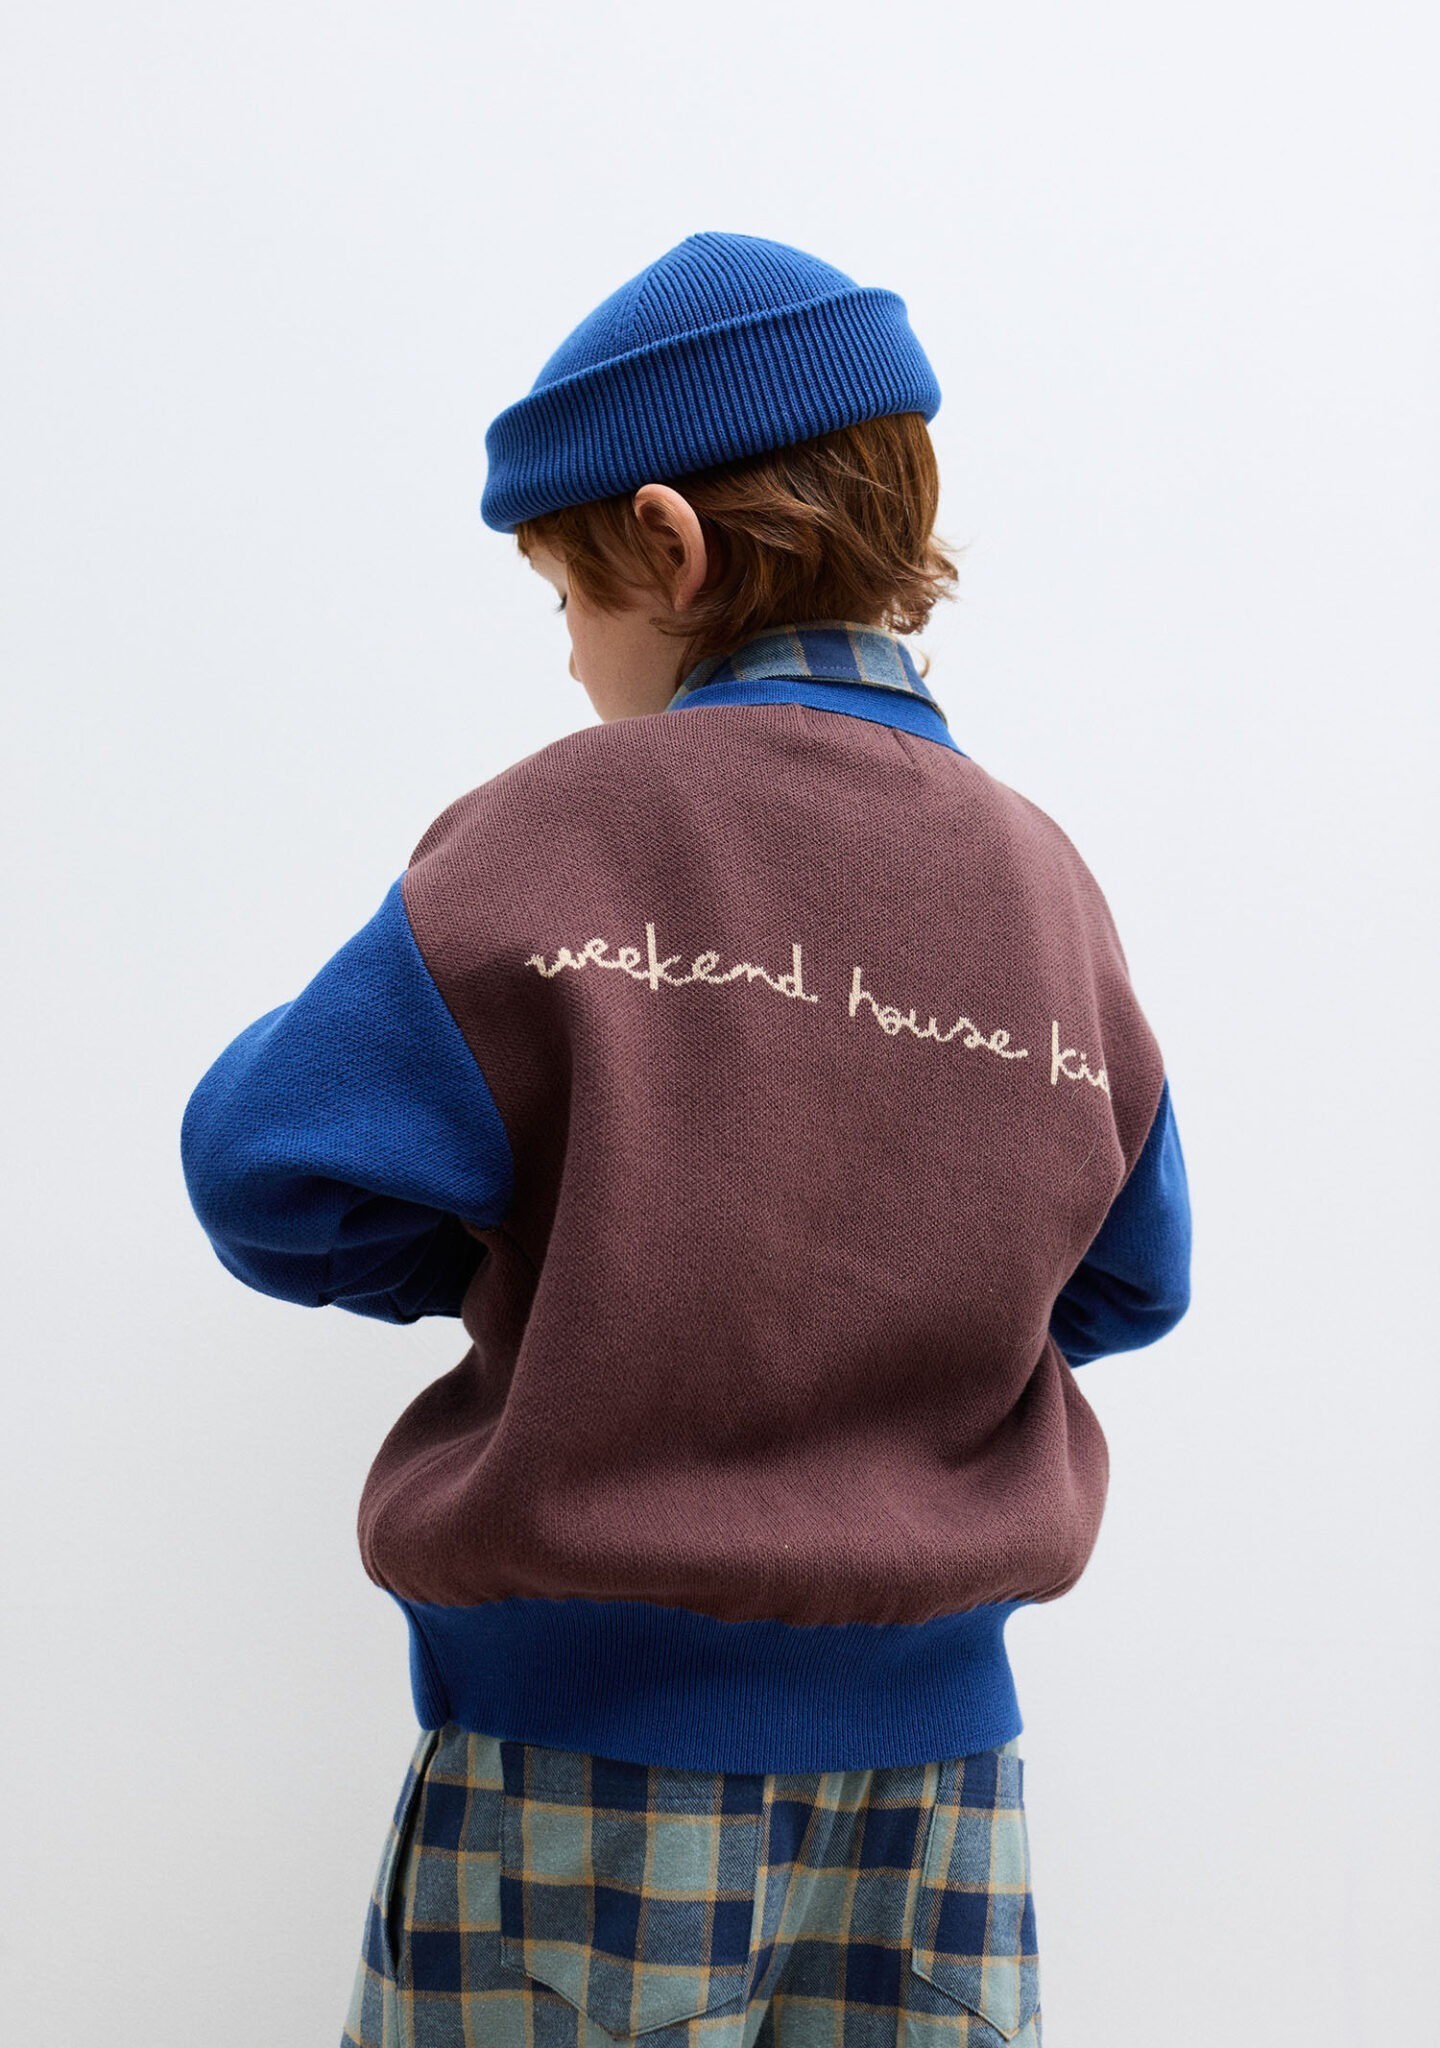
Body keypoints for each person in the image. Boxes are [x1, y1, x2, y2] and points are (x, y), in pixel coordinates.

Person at [179, 230, 1193, 2048]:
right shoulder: (1045, 882)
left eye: (564, 598)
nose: (571, 660)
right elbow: (1132, 1277)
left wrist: (539, 1240)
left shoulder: (570, 829)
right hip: (944, 1805)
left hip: (583, 1780)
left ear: (668, 545)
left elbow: (264, 1165)